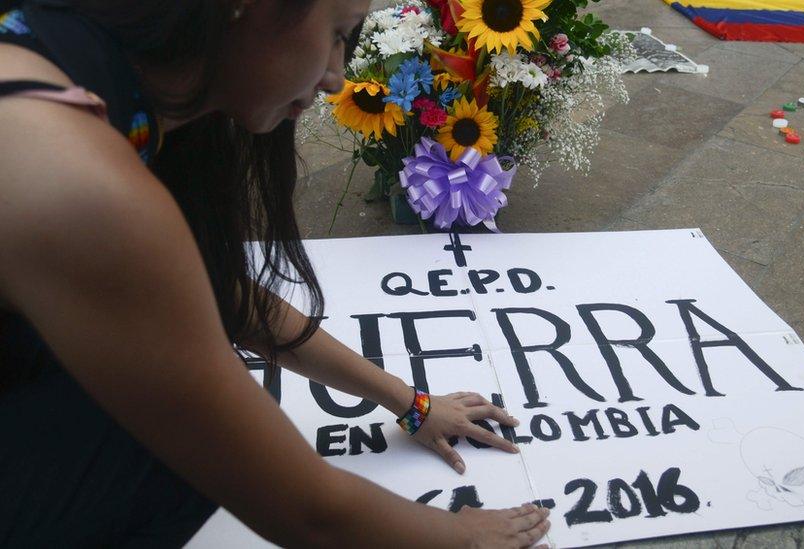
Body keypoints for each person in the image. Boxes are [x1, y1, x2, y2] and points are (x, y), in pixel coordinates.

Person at [0, 0, 551, 546]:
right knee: (172, 452)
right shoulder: (78, 182)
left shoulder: (110, 76)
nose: (337, 79)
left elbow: (225, 297)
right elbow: (303, 508)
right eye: (337, 33)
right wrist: (461, 538)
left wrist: (410, 404)